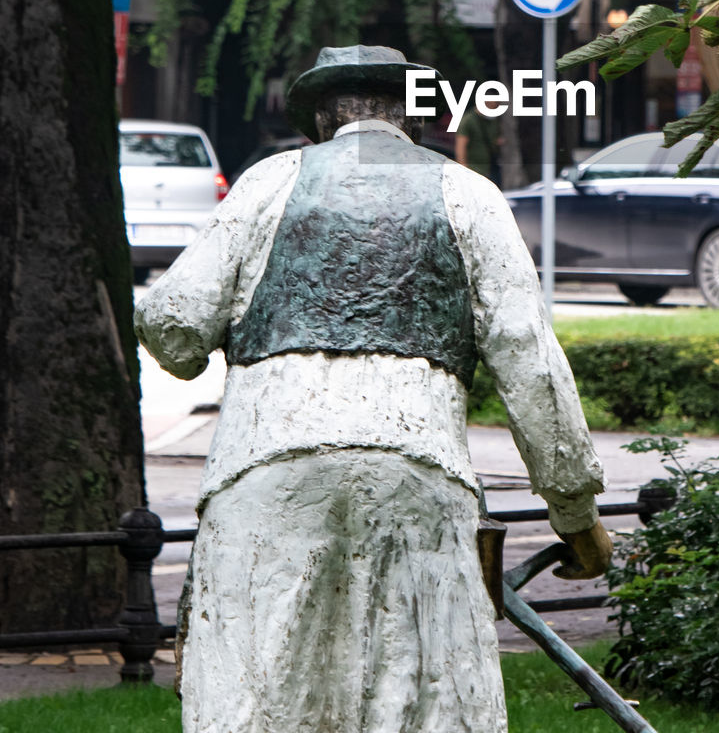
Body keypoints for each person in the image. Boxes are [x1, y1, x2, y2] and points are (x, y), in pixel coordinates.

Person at [135, 45, 611, 733]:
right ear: (413, 118)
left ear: (322, 118)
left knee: (256, 700)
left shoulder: (269, 183)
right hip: (416, 467)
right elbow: (529, 361)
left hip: (267, 463)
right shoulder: (469, 194)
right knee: (423, 699)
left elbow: (176, 327)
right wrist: (576, 514)